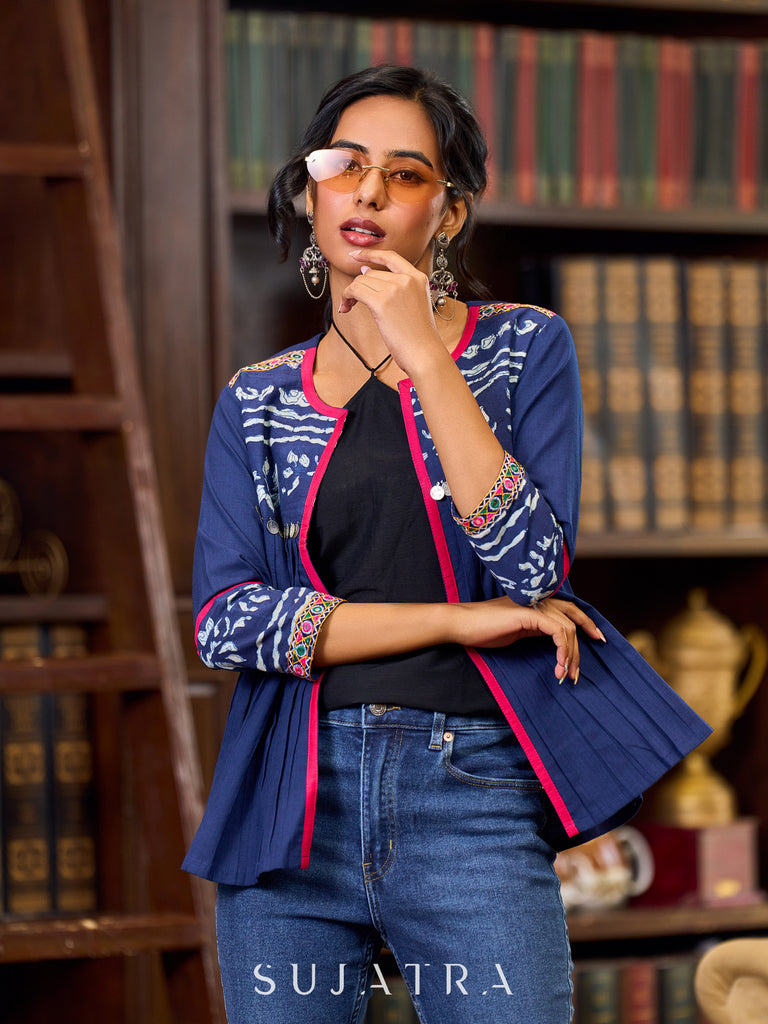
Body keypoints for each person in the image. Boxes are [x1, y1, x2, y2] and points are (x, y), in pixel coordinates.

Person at [183, 65, 710, 1024]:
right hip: (293, 800)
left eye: (406, 173)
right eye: (344, 166)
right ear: (310, 194)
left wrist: (426, 354)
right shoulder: (257, 397)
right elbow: (226, 623)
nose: (368, 192)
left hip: (472, 792)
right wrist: (457, 621)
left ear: (449, 212)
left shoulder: (522, 349)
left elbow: (533, 567)